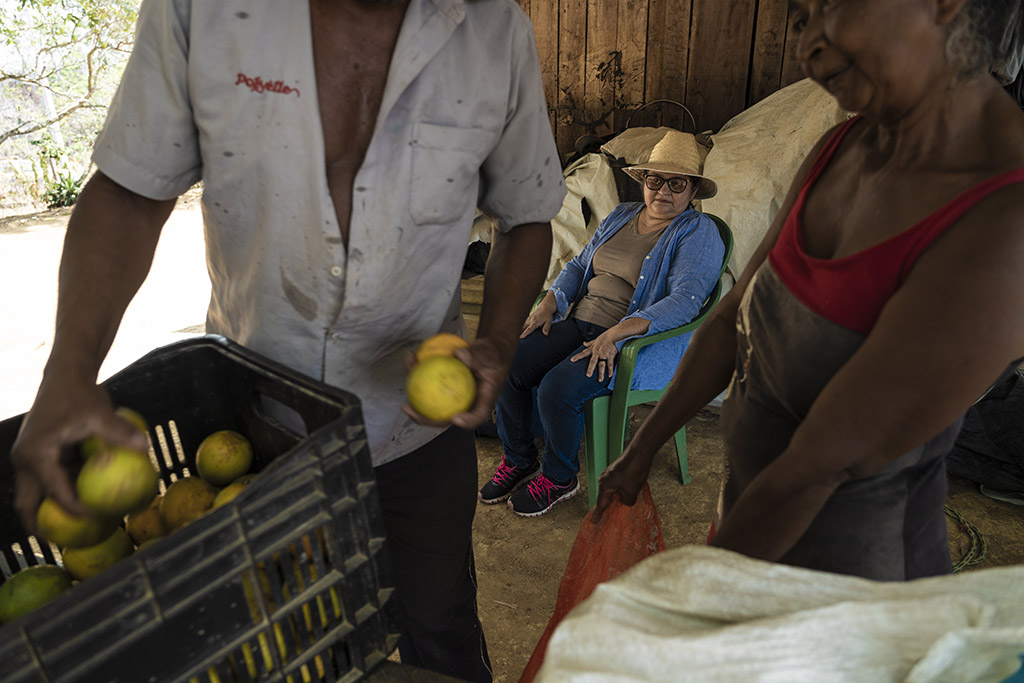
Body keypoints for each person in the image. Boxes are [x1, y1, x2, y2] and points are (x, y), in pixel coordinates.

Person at [9, 1, 567, 681]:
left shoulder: (493, 29)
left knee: (441, 629)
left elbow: (528, 215)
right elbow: (130, 191)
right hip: (257, 432)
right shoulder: (204, 11)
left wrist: (501, 340)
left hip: (418, 432)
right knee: (283, 640)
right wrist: (68, 371)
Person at [594, 0, 1024, 581]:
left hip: (849, 575)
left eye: (835, 8)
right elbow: (732, 318)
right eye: (801, 19)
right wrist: (643, 445)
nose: (810, 44)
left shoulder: (1000, 217)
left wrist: (704, 593)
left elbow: (824, 463)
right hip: (753, 523)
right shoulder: (842, 147)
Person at [479, 130, 726, 517]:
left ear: (693, 190)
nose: (663, 191)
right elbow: (580, 265)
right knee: (510, 362)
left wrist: (618, 332)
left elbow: (686, 302)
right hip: (582, 323)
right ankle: (520, 458)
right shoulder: (622, 215)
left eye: (677, 183)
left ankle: (560, 477)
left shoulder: (697, 232)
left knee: (557, 387)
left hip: (633, 344)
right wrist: (552, 301)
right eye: (655, 179)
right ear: (643, 181)